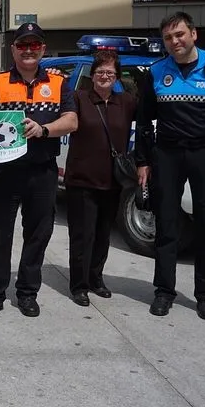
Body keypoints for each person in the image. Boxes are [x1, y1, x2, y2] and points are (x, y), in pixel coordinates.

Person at [135, 11, 205, 321]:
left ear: (194, 34)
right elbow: (144, 120)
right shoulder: (157, 72)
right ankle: (163, 292)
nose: (175, 42)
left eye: (180, 35)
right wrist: (143, 160)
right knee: (167, 226)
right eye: (169, 38)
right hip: (168, 155)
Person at [0, 22, 78, 319]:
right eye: (23, 45)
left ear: (43, 49)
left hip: (42, 171)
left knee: (38, 233)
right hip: (4, 172)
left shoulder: (60, 83)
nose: (28, 50)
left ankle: (27, 292)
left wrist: (44, 129)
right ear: (14, 50)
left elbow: (72, 121)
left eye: (34, 45)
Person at [64, 50, 136, 306]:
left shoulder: (126, 102)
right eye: (100, 72)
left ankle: (96, 279)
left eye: (110, 73)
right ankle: (79, 285)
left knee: (104, 234)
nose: (105, 76)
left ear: (117, 77)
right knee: (82, 235)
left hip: (112, 180)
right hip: (82, 179)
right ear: (92, 75)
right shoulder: (78, 98)